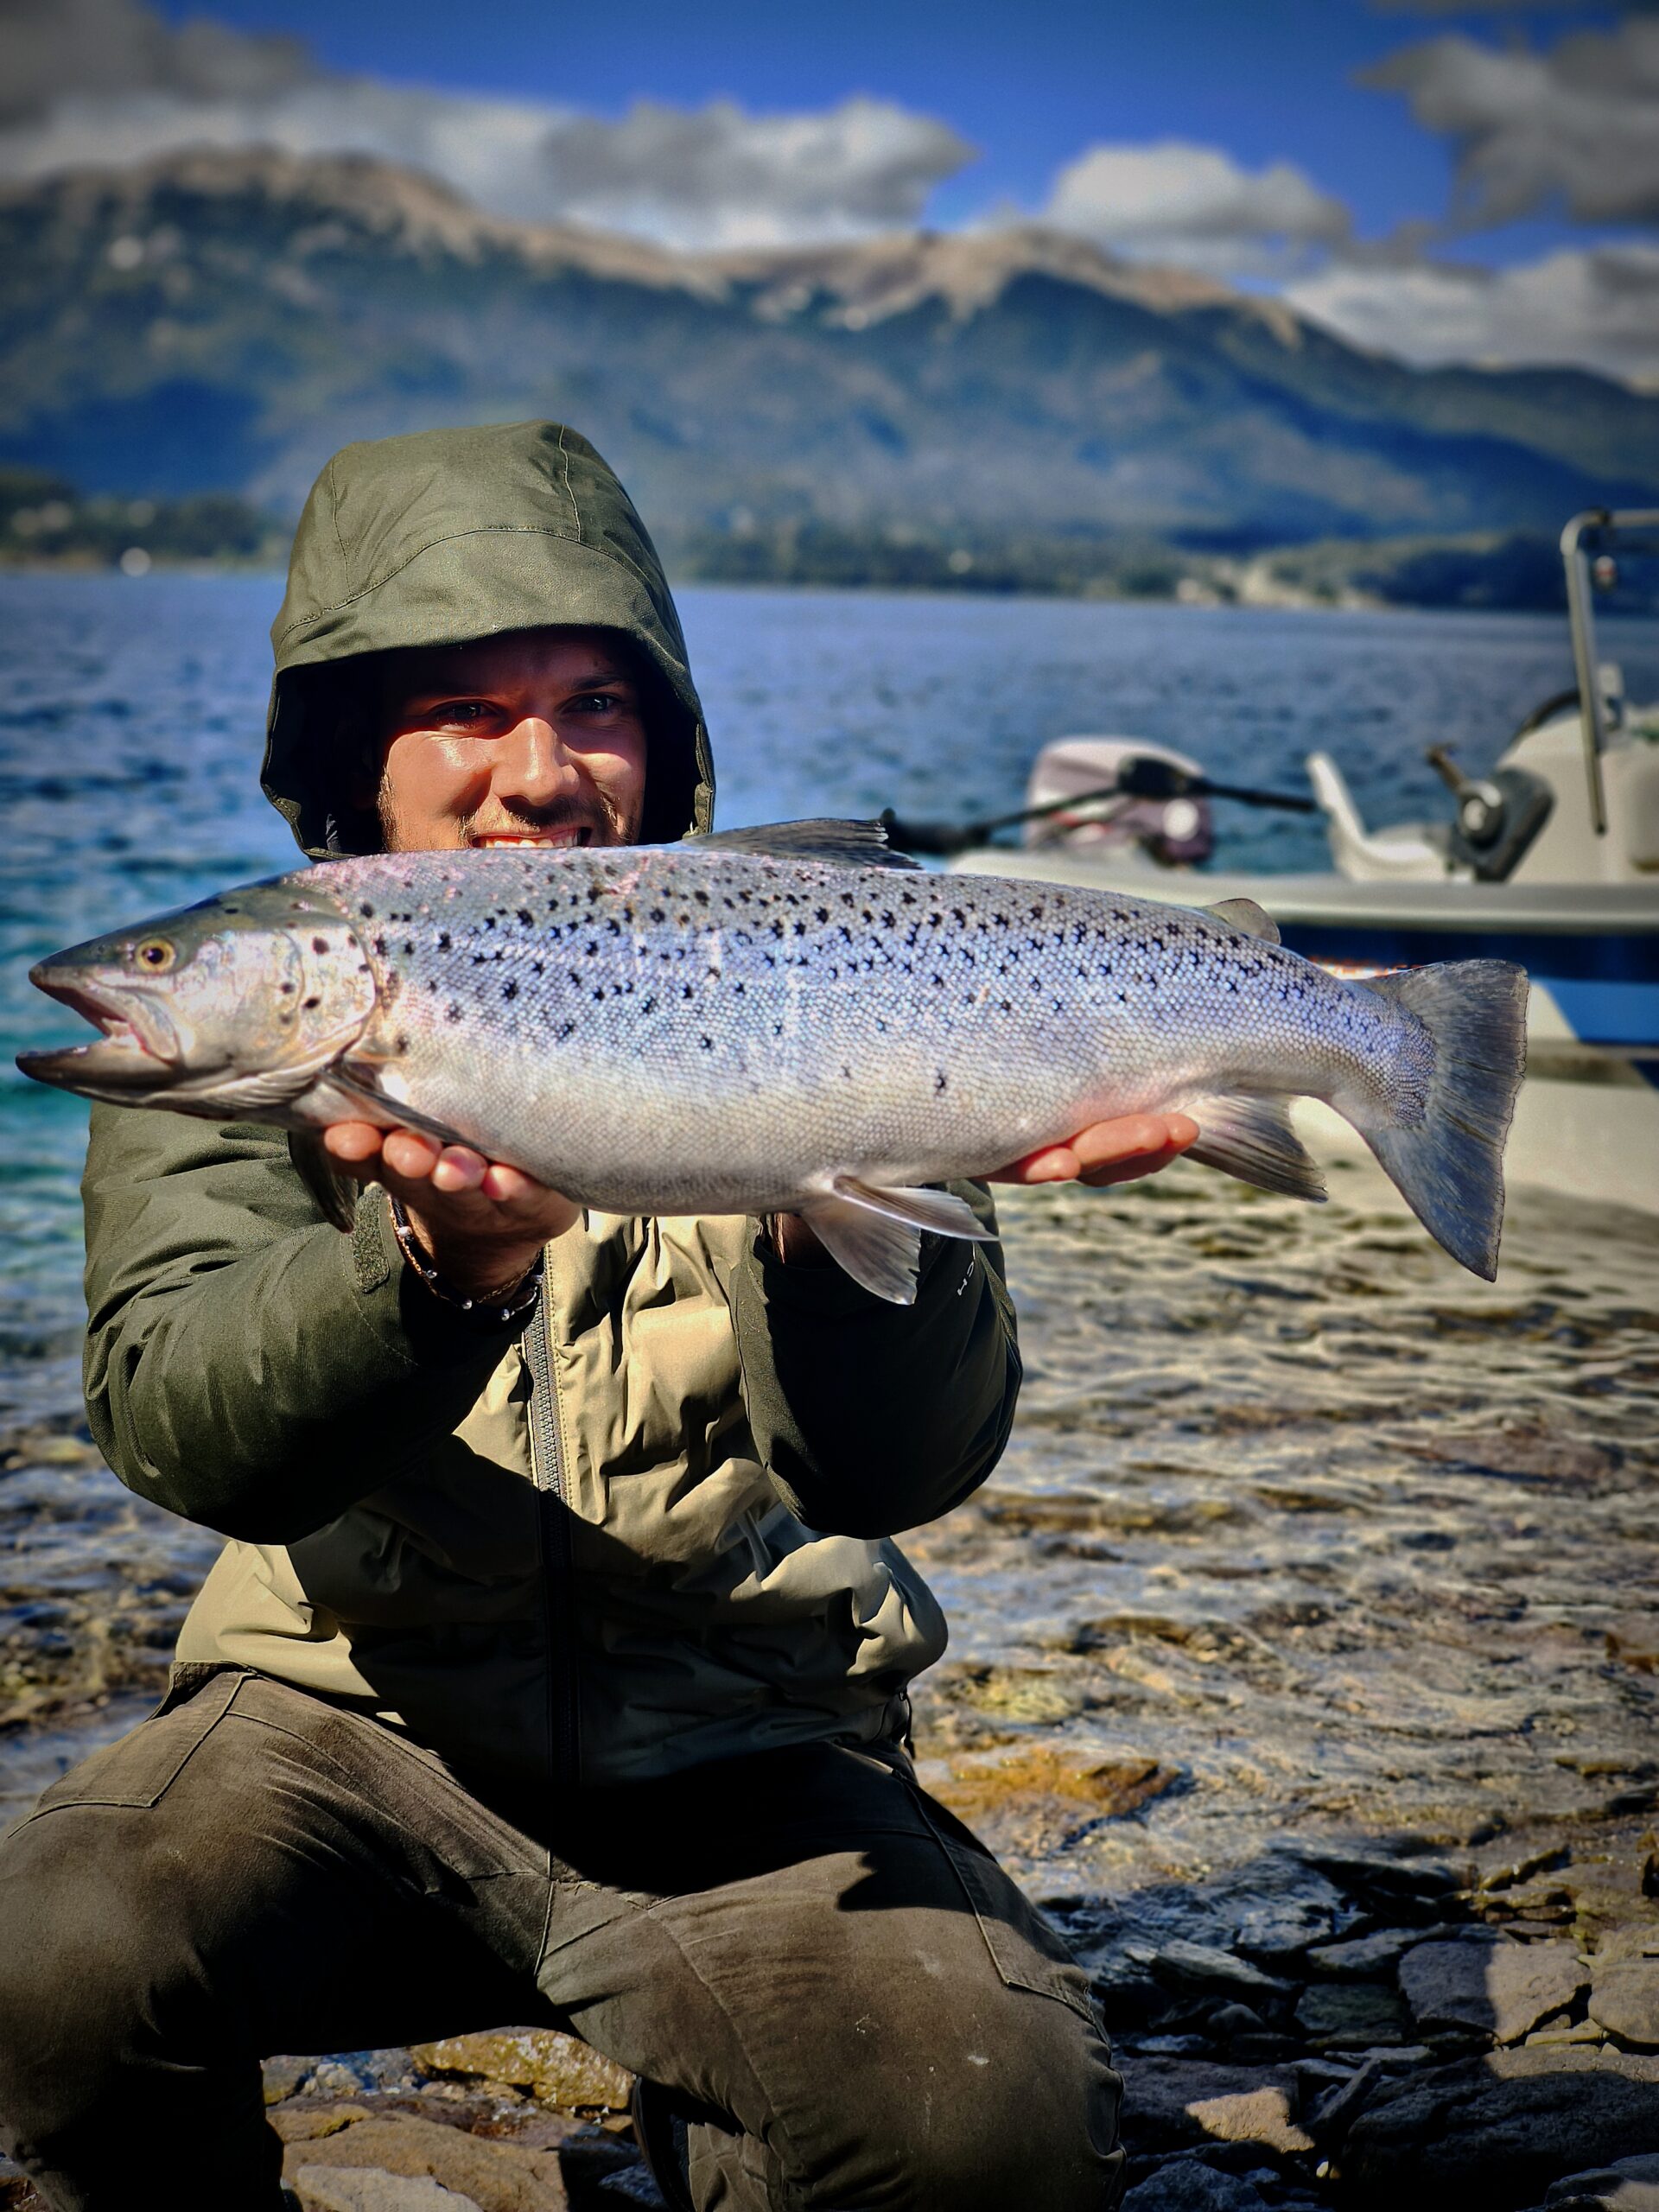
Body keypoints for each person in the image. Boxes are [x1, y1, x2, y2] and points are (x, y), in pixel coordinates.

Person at [0, 422, 1196, 2212]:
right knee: (49, 1954)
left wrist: (866, 1223)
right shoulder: (227, 1082)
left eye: (591, 703)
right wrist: (429, 1277)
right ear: (350, 759)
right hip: (347, 1731)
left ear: (670, 738)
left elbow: (893, 1470)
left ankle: (732, 2111)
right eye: (464, 711)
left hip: (752, 1745)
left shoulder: (825, 972)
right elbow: (183, 1424)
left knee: (989, 2131)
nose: (538, 772)